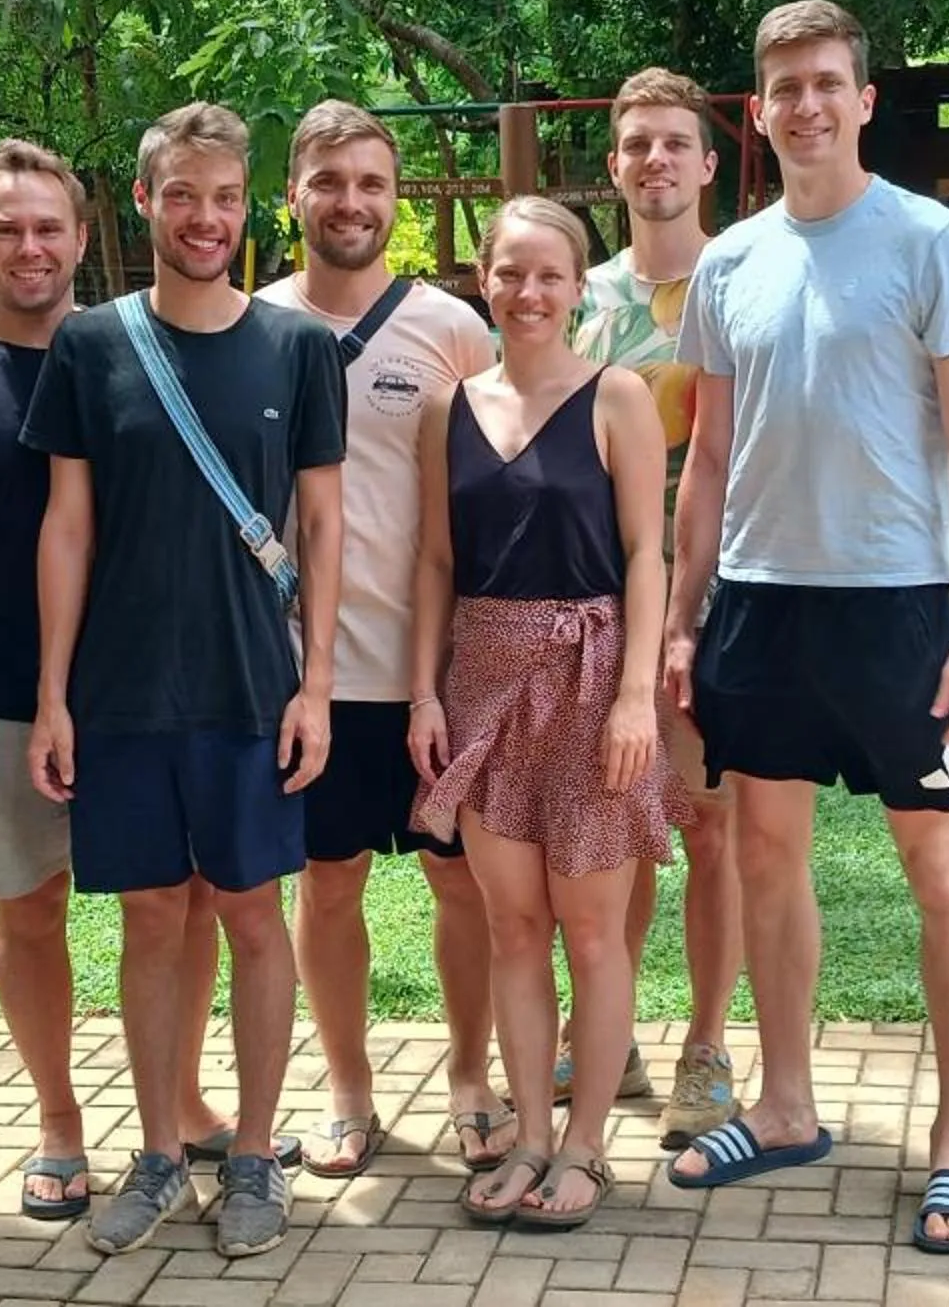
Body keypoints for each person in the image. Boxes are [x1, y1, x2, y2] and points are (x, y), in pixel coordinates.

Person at [657, 0, 949, 1256]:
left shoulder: (932, 242)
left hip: (900, 608)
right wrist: (686, 616)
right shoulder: (732, 264)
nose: (806, 103)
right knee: (763, 854)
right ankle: (788, 1104)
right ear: (758, 114)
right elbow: (705, 462)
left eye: (827, 83)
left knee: (939, 871)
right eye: (784, 88)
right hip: (760, 603)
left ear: (863, 102)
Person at [0, 139, 283, 1225]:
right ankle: (60, 1122)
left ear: (85, 233)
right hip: (16, 693)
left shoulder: (133, 349)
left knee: (183, 903)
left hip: (159, 690)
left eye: (48, 226)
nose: (30, 246)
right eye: (6, 228)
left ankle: (190, 1103)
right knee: (31, 912)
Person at [22, 101, 344, 1260]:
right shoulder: (90, 346)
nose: (206, 219)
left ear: (245, 206)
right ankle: (159, 1152)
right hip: (120, 693)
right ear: (146, 202)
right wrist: (54, 693)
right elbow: (66, 526)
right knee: (153, 919)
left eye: (225, 198)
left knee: (256, 918)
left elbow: (325, 521)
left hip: (254, 689)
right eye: (183, 196)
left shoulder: (299, 347)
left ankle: (253, 1152)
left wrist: (317, 686)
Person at [251, 101, 518, 1180]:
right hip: (307, 679)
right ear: (295, 196)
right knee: (329, 885)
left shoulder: (452, 331)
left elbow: (499, 498)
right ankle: (350, 1094)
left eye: (370, 181)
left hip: (438, 678)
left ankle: (469, 1077)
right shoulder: (251, 324)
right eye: (328, 180)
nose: (350, 200)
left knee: (466, 887)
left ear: (395, 198)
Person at [409, 195, 683, 1231]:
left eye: (549, 275)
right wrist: (426, 688)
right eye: (510, 272)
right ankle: (528, 1135)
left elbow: (648, 555)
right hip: (482, 677)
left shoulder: (618, 398)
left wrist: (634, 698)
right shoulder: (446, 411)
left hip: (591, 678)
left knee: (593, 933)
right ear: (483, 277)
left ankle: (584, 1147)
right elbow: (435, 560)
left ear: (578, 287)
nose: (528, 293)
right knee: (512, 926)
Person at [559, 66, 744, 1148]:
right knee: (617, 826)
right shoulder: (578, 297)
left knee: (713, 829)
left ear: (707, 162)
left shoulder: (750, 277)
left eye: (676, 142)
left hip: (724, 595)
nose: (655, 161)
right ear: (616, 165)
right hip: (595, 603)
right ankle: (606, 1029)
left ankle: (709, 1050)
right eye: (637, 146)